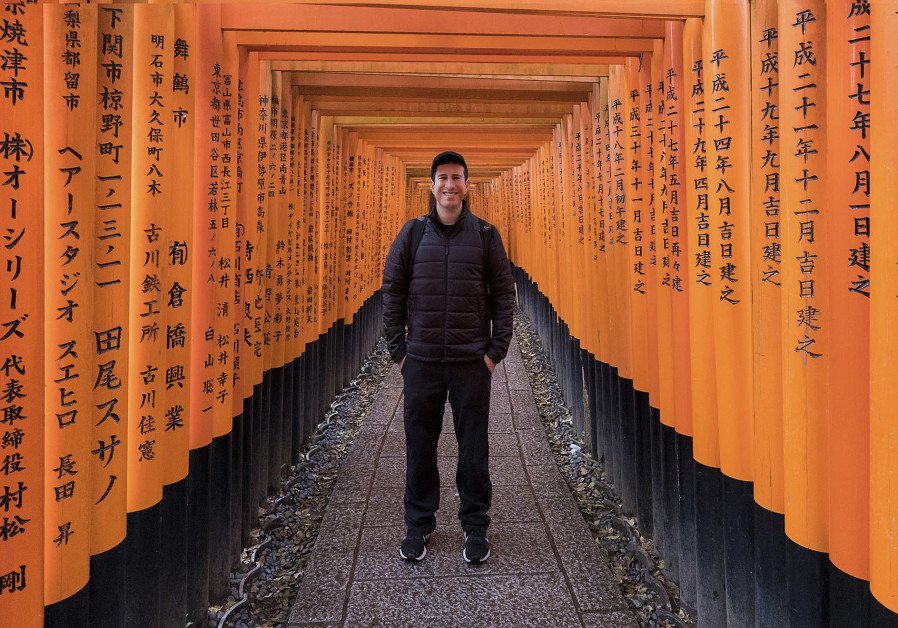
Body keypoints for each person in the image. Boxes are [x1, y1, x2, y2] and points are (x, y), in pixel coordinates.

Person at [382, 151, 515, 564]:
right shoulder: (413, 234)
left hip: (470, 361)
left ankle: (475, 526)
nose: (449, 185)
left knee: (473, 445)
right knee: (420, 444)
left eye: (457, 178)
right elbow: (393, 290)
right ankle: (418, 525)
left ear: (467, 185)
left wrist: (494, 353)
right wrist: (398, 351)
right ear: (432, 185)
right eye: (442, 178)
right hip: (420, 360)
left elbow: (503, 295)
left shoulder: (487, 235)